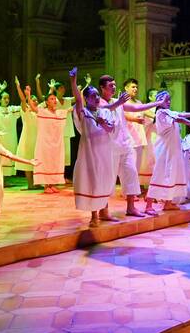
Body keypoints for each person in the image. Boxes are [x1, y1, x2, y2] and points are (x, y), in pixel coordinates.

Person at [97, 75, 166, 218]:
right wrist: (119, 103)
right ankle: (103, 211)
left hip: (125, 143)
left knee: (131, 174)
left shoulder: (118, 102)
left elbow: (137, 107)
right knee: (108, 179)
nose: (114, 87)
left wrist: (157, 103)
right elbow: (106, 108)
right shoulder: (99, 102)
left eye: (114, 84)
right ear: (102, 88)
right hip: (109, 147)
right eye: (110, 85)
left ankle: (131, 207)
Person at [70, 68, 119, 227]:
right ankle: (94, 217)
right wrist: (74, 81)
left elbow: (111, 129)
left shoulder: (103, 111)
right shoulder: (83, 112)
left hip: (103, 153)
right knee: (92, 182)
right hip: (89, 154)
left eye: (98, 94)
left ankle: (103, 212)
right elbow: (77, 100)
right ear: (86, 99)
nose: (97, 97)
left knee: (103, 181)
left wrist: (105, 125)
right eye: (93, 95)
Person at [145, 91, 190, 213]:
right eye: (166, 100)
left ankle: (168, 203)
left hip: (173, 150)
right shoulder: (161, 113)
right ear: (159, 101)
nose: (169, 102)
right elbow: (179, 119)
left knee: (172, 175)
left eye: (169, 99)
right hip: (164, 150)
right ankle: (148, 205)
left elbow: (182, 114)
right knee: (160, 175)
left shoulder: (168, 112)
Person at [25, 85, 70, 193]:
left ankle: (53, 184)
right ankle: (46, 186)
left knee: (55, 162)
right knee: (46, 162)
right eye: (51, 99)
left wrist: (80, 94)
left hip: (56, 144)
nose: (54, 100)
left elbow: (71, 109)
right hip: (45, 143)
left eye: (55, 99)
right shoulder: (43, 111)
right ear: (47, 102)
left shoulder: (60, 113)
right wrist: (28, 95)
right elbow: (33, 107)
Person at [37, 75, 75, 167]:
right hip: (56, 131)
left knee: (65, 156)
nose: (64, 89)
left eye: (64, 88)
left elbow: (77, 98)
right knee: (56, 154)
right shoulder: (53, 101)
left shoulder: (67, 100)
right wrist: (38, 82)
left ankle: (62, 175)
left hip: (66, 131)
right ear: (57, 90)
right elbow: (42, 98)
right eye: (61, 88)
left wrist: (76, 83)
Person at [0, 83, 22, 178]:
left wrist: (20, 90)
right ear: (0, 100)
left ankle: (4, 180)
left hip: (10, 139)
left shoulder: (12, 109)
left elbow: (23, 106)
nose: (7, 100)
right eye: (4, 98)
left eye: (8, 98)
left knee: (8, 157)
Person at [122, 79, 148, 187]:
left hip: (139, 139)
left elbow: (145, 112)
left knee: (136, 167)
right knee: (129, 167)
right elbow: (123, 115)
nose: (135, 89)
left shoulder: (139, 103)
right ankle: (128, 191)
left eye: (136, 87)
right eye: (133, 87)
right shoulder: (123, 102)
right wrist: (135, 119)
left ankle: (133, 191)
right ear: (126, 88)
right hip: (129, 139)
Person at [14, 76, 38, 188]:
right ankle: (30, 184)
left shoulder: (38, 111)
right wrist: (18, 87)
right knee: (28, 159)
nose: (36, 101)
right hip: (28, 137)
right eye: (34, 100)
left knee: (36, 159)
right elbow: (23, 100)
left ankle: (36, 183)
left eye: (36, 99)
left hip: (37, 137)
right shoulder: (25, 109)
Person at [138, 88, 159, 189]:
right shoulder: (146, 108)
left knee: (157, 161)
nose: (158, 97)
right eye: (155, 95)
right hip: (150, 138)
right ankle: (143, 186)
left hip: (159, 138)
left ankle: (156, 187)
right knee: (147, 162)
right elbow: (145, 124)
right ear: (150, 97)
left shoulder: (160, 108)